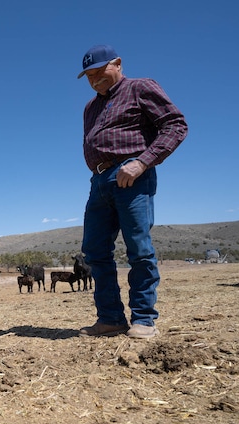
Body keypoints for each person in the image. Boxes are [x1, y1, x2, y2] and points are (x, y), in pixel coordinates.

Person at [76, 45, 188, 339]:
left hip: (131, 176)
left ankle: (144, 319)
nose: (95, 79)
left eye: (100, 72)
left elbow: (175, 126)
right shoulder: (90, 107)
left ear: (118, 64)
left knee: (138, 249)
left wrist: (141, 163)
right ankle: (111, 318)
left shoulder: (140, 87)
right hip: (98, 182)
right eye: (89, 76)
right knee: (95, 252)